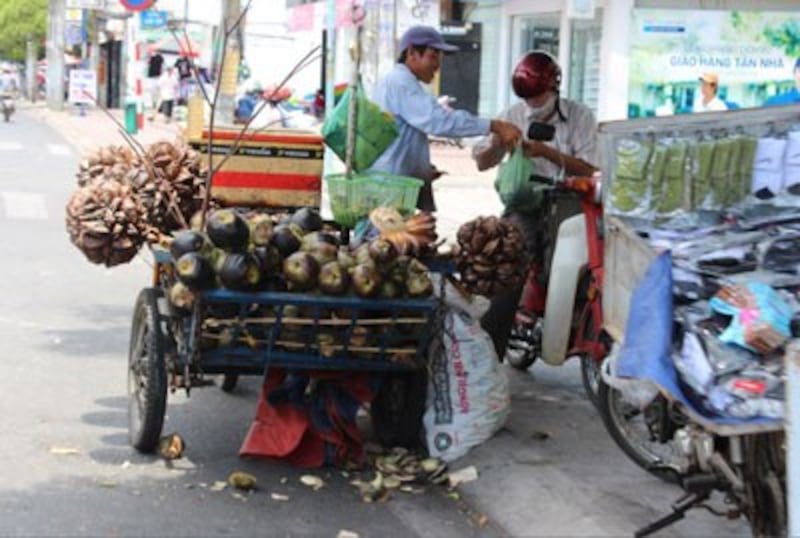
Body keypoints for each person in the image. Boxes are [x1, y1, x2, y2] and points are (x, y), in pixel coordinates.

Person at [471, 50, 598, 360]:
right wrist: (498, 143)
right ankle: (488, 356)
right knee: (508, 269)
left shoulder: (580, 116)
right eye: (528, 99)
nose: (533, 105)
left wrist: (546, 152)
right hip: (526, 204)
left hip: (570, 204)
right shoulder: (512, 115)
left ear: (555, 87)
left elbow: (589, 167)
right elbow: (482, 162)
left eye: (538, 98)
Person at [371, 25, 521, 211]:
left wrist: (422, 167)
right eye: (433, 56)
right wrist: (494, 125)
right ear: (412, 53)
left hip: (393, 185)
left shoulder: (398, 81)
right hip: (389, 190)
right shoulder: (400, 82)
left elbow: (403, 136)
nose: (437, 66)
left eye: (440, 59)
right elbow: (439, 121)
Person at [146, 47, 165, 120]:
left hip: (157, 78)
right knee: (153, 96)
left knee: (156, 96)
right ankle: (153, 113)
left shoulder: (159, 58)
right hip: (153, 78)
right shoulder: (151, 58)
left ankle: (154, 112)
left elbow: (162, 67)